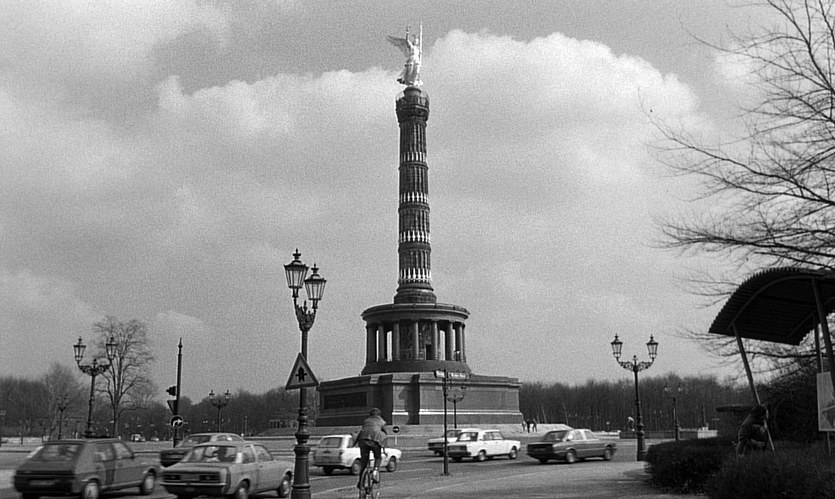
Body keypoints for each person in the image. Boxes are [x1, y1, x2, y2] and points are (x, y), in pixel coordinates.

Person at [356, 407, 388, 489]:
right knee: (378, 457)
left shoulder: (366, 421)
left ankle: (361, 482)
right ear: (379, 415)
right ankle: (375, 471)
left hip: (363, 440)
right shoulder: (381, 421)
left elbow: (363, 430)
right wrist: (384, 447)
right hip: (375, 440)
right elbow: (384, 433)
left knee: (364, 463)